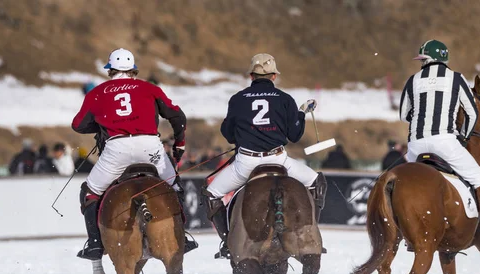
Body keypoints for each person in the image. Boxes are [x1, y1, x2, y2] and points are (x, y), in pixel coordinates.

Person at [71, 48, 197, 260]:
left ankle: (94, 244)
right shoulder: (149, 88)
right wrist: (180, 142)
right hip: (150, 147)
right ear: (133, 70)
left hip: (116, 150)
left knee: (90, 191)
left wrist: (102, 124)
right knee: (174, 186)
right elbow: (177, 115)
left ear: (110, 70)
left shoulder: (96, 92)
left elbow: (78, 125)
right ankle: (181, 235)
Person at [201, 53, 327, 259]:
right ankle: (309, 234)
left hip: (246, 164)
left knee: (211, 193)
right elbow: (294, 135)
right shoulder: (285, 99)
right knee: (316, 182)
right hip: (278, 160)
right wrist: (301, 114)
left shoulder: (238, 99)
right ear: (274, 76)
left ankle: (227, 243)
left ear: (251, 76)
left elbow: (228, 134)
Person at [399, 39, 480, 247]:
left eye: (423, 59)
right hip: (444, 142)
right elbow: (472, 113)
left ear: (430, 59)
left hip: (415, 146)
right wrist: (462, 137)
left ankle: (407, 234)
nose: (421, 63)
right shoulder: (456, 78)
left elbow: (403, 114)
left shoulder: (412, 80)